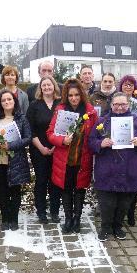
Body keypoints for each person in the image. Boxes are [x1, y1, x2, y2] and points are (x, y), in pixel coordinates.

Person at [89, 92, 137, 240]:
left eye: (123, 104)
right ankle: (105, 227)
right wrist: (100, 143)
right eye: (116, 104)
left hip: (129, 169)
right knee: (107, 202)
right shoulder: (102, 121)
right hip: (107, 169)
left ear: (128, 105)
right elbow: (91, 142)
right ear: (111, 105)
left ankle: (118, 226)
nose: (119, 107)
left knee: (124, 203)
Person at [47, 78, 98, 234]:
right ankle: (68, 219)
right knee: (66, 189)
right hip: (65, 160)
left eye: (76, 95)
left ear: (81, 95)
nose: (74, 98)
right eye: (70, 95)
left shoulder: (90, 112)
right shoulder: (60, 110)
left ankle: (77, 219)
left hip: (82, 158)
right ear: (66, 96)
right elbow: (50, 134)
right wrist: (62, 140)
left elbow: (95, 135)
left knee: (80, 189)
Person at [0, 90, 31, 231]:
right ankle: (5, 218)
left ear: (14, 101)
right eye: (3, 100)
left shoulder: (21, 118)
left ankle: (14, 219)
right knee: (2, 190)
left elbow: (27, 138)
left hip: (16, 160)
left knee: (15, 190)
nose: (7, 102)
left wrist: (11, 145)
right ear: (0, 103)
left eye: (9, 99)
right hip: (0, 159)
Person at [26, 75, 62, 224]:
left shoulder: (61, 104)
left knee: (55, 182)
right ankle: (41, 212)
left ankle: (54, 212)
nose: (47, 87)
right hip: (38, 149)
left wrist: (55, 146)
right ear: (40, 88)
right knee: (41, 181)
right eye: (44, 85)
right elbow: (29, 130)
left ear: (54, 86)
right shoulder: (34, 105)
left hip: (58, 149)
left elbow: (64, 127)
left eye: (49, 85)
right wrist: (41, 148)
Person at [117, 75, 137, 226]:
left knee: (133, 181)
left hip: (135, 147)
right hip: (120, 145)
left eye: (131, 85)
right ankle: (121, 213)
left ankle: (131, 213)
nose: (128, 87)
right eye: (125, 84)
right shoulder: (116, 101)